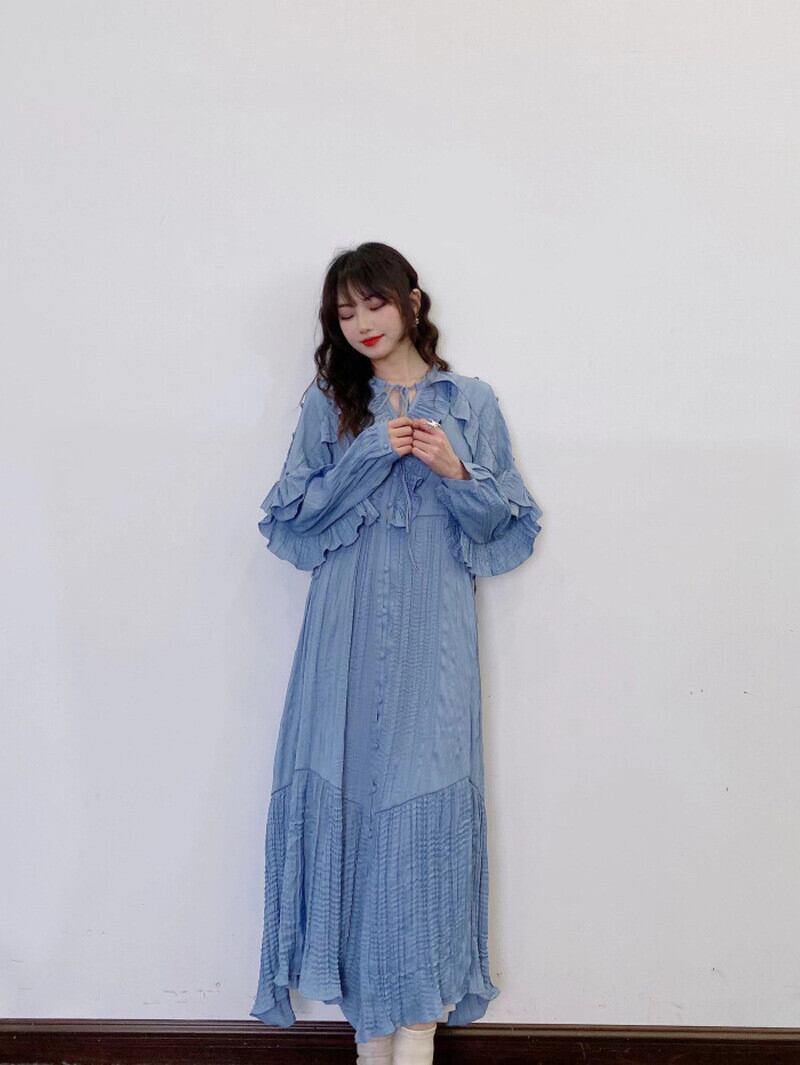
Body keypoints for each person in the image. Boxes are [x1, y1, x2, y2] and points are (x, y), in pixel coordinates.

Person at [250, 242, 543, 1064]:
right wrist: (371, 451)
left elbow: (507, 523)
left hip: (433, 645)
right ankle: (368, 1041)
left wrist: (455, 469)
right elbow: (292, 518)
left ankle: (416, 1034)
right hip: (339, 640)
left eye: (373, 303)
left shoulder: (470, 401)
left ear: (412, 301)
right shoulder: (331, 405)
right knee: (346, 810)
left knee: (421, 820)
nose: (362, 324)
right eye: (344, 313)